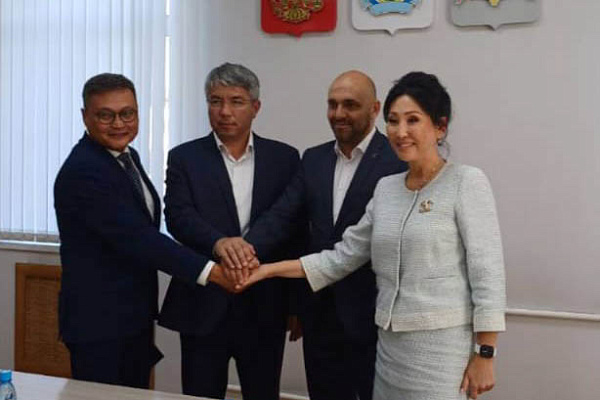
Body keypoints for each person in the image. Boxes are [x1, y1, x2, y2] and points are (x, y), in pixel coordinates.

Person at [241, 71, 507, 400]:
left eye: (413, 120)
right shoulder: (386, 189)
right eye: (393, 121)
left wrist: (485, 354)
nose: (400, 131)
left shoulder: (466, 182)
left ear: (440, 127)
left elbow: (487, 274)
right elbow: (340, 258)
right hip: (389, 350)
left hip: (443, 351)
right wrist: (265, 270)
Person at [218, 70, 407, 400]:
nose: (338, 113)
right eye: (332, 104)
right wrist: (242, 252)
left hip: (374, 314)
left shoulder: (397, 161)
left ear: (375, 109)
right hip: (319, 313)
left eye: (350, 105)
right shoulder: (314, 159)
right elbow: (282, 217)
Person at [54, 73, 236, 389]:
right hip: (99, 323)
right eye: (105, 115)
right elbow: (140, 239)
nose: (118, 124)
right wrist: (214, 273)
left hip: (131, 316)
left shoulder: (125, 156)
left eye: (127, 113)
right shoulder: (84, 171)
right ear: (85, 116)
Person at [157, 63, 304, 400]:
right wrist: (219, 242)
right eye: (215, 101)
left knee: (263, 393)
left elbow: (292, 226)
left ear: (256, 107)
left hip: (265, 304)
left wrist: (297, 303)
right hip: (203, 303)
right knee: (200, 393)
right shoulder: (184, 158)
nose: (225, 111)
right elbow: (178, 216)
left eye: (236, 101)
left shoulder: (284, 158)